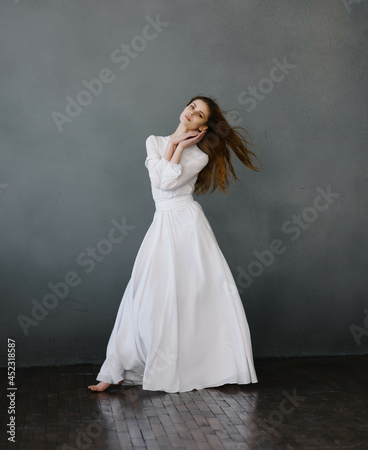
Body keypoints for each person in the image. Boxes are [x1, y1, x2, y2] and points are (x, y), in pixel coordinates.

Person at [88, 95, 262, 393]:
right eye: (191, 107)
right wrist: (174, 144)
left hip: (186, 224)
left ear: (203, 127)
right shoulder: (154, 141)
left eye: (198, 115)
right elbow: (159, 179)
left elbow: (165, 183)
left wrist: (180, 146)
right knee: (144, 292)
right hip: (163, 222)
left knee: (191, 295)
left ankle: (199, 365)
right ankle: (114, 371)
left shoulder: (199, 157)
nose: (191, 113)